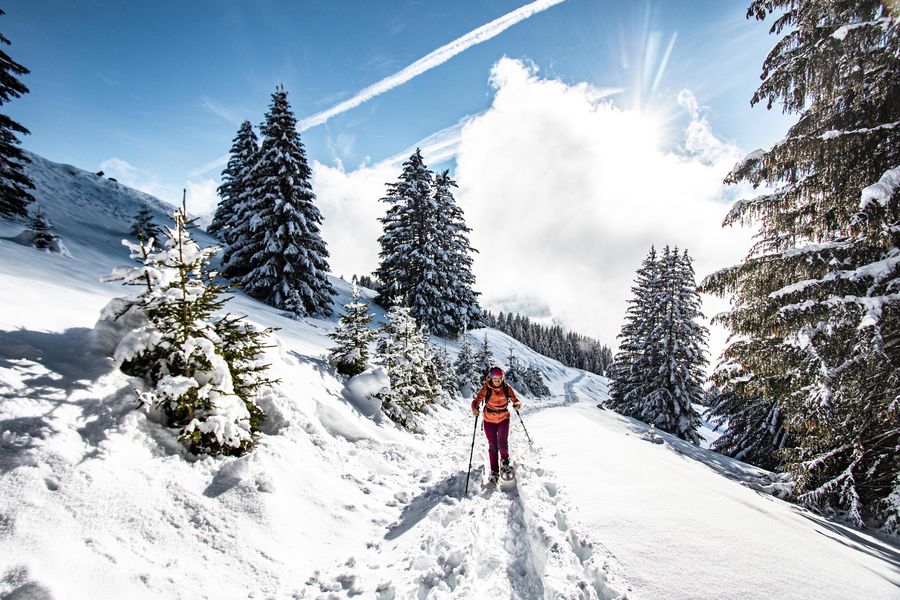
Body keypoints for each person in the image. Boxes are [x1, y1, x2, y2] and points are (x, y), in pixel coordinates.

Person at [471, 366, 521, 486]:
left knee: (502, 442)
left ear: (502, 378)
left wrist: (517, 404)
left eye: (500, 379)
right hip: (489, 420)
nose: (498, 381)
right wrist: (474, 408)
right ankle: (494, 471)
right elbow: (477, 400)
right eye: (495, 379)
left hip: (504, 418)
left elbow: (515, 400)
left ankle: (505, 461)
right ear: (491, 378)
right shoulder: (486, 388)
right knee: (493, 445)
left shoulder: (506, 388)